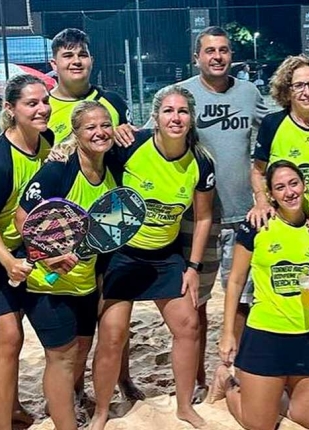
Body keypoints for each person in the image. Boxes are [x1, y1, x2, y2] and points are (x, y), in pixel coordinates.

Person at [112, 26, 269, 403]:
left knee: (245, 301)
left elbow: (268, 143)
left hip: (242, 215)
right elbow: (149, 136)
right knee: (194, 303)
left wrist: (263, 197)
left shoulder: (249, 93)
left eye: (224, 50)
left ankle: (238, 373)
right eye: (209, 50)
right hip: (194, 219)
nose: (217, 56)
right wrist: (118, 131)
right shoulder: (179, 96)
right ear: (196, 57)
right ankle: (197, 378)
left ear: (232, 55)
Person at [92, 85, 214, 429]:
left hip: (165, 256)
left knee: (188, 325)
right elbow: (90, 158)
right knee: (113, 334)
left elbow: (203, 217)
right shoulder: (131, 146)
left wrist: (192, 266)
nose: (176, 118)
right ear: (156, 118)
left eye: (183, 112)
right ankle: (102, 411)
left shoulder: (200, 161)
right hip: (123, 254)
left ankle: (185, 407)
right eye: (168, 111)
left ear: (191, 119)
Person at [45, 27, 141, 400]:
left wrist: (127, 134)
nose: (76, 61)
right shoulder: (44, 107)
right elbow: (39, 159)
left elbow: (126, 151)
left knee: (116, 314)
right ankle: (75, 388)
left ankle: (123, 377)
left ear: (91, 60)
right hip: (65, 226)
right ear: (55, 64)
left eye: (81, 54)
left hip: (109, 220)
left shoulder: (112, 101)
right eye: (68, 56)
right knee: (76, 321)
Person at [209, 160, 309, 430]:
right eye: (280, 187)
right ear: (271, 194)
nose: (289, 192)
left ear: (304, 186)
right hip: (266, 335)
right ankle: (227, 381)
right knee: (259, 426)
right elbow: (235, 281)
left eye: (293, 183)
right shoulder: (258, 224)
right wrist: (227, 332)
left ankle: (274, 390)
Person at [247, 54, 309, 402]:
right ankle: (262, 371)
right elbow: (258, 170)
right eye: (299, 85)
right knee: (271, 296)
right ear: (287, 90)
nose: (306, 91)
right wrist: (262, 202)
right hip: (280, 224)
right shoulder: (274, 124)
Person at [16, 101, 119, 430]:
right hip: (46, 284)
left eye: (105, 124)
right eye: (90, 127)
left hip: (85, 283)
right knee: (60, 357)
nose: (99, 131)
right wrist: (48, 257)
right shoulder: (58, 169)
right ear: (75, 134)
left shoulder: (112, 167)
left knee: (80, 351)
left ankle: (60, 401)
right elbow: (22, 218)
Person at [0, 74, 54, 429]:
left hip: (28, 254)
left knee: (9, 341)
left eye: (44, 101)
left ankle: (9, 407)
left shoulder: (47, 142)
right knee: (8, 337)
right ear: (11, 109)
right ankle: (2, 421)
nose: (42, 109)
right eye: (31, 103)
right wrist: (9, 261)